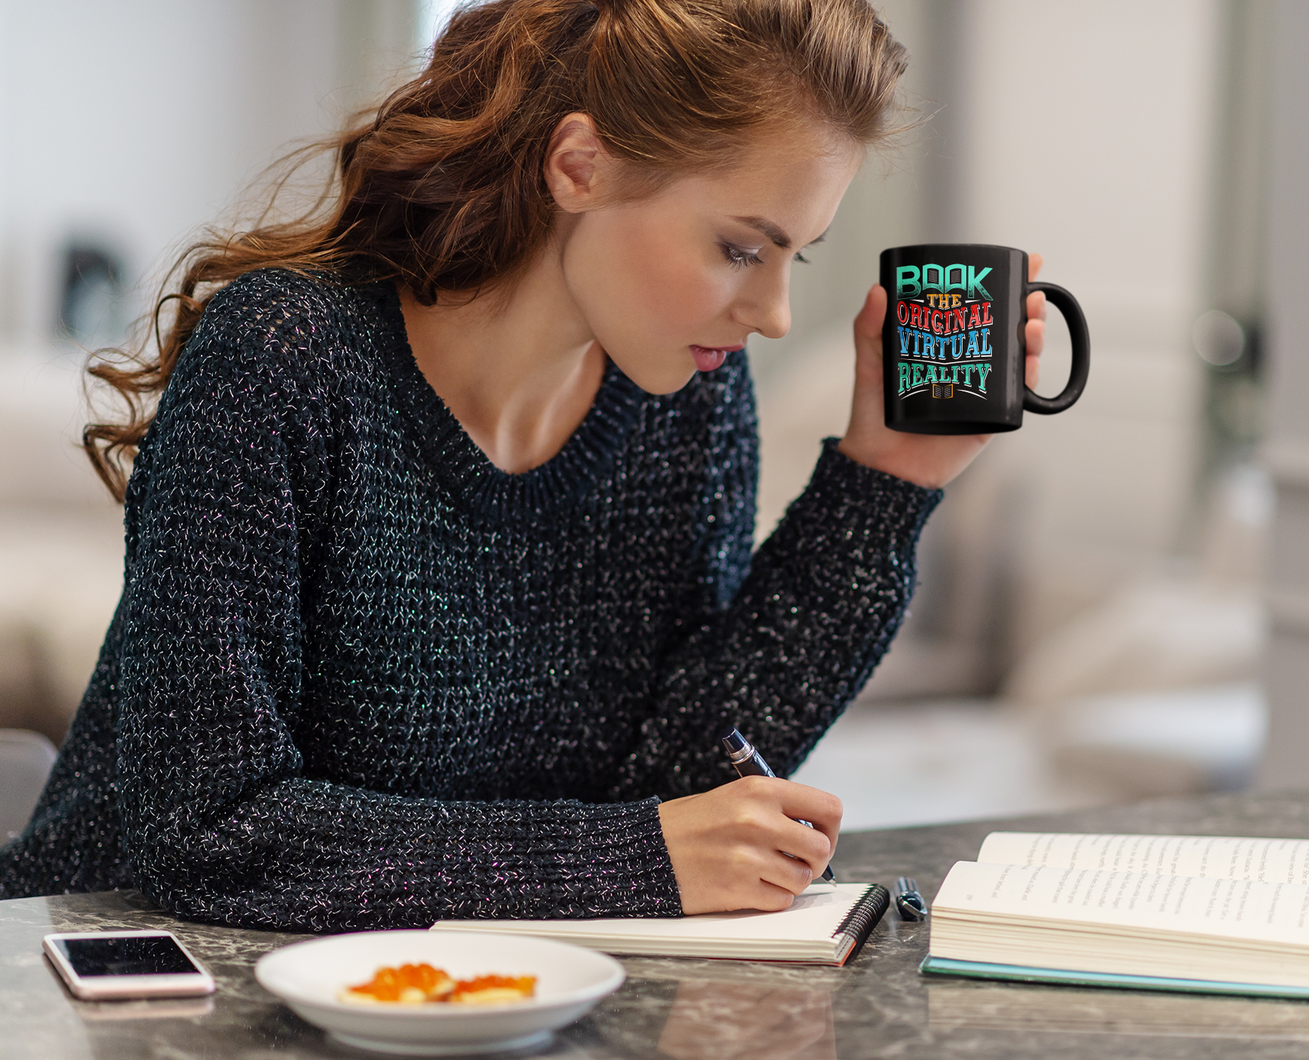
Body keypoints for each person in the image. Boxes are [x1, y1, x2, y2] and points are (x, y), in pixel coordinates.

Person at [0, 0, 1044, 931]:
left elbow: (688, 779)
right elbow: (211, 833)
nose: (771, 314)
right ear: (578, 164)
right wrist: (633, 856)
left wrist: (884, 479)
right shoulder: (283, 358)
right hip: (112, 984)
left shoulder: (686, 393)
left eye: (794, 256)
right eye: (739, 247)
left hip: (462, 998)